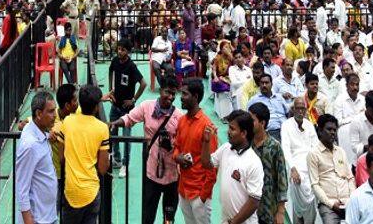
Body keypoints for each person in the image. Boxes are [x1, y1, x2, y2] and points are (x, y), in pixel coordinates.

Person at [110, 73, 181, 224]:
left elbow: (182, 145)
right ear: (161, 90)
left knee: (169, 218)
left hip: (172, 176)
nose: (170, 96)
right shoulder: (146, 106)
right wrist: (115, 123)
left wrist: (172, 146)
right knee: (147, 216)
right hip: (151, 174)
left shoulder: (178, 117)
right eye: (168, 92)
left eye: (173, 93)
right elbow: (129, 118)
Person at [200, 110, 262, 224]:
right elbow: (206, 163)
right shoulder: (226, 148)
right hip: (226, 220)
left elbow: (254, 201)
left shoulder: (254, 162)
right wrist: (206, 141)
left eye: (232, 129)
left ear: (243, 133)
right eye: (229, 128)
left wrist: (233, 222)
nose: (228, 132)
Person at [59, 85, 110, 224]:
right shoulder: (102, 128)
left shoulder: (68, 122)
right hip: (91, 192)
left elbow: (61, 158)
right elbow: (103, 168)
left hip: (71, 192)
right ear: (96, 107)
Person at [172, 78, 217, 224]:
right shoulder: (182, 121)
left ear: (195, 97)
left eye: (184, 94)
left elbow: (213, 165)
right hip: (183, 189)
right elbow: (177, 146)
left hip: (199, 193)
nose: (181, 97)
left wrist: (203, 195)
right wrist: (177, 157)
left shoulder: (207, 126)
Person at [15, 91, 58, 224]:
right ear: (39, 114)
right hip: (38, 219)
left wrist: (47, 135)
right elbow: (21, 188)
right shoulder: (31, 145)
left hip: (48, 215)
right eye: (50, 111)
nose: (55, 115)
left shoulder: (35, 130)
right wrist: (29, 221)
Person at [106, 38, 145, 177]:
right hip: (115, 106)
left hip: (127, 110)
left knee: (127, 138)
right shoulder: (115, 61)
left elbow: (143, 84)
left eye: (122, 50)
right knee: (113, 134)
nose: (119, 51)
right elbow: (110, 71)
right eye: (119, 49)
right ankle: (116, 159)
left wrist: (133, 99)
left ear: (128, 52)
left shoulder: (132, 66)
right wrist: (111, 90)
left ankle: (125, 164)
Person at [307, 113, 355, 224]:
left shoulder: (341, 151)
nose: (333, 132)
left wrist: (352, 199)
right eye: (329, 129)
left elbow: (350, 178)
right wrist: (331, 204)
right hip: (328, 205)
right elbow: (315, 185)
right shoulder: (313, 154)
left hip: (348, 201)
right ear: (320, 131)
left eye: (334, 129)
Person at [280, 97, 318, 223]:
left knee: (313, 191)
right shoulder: (286, 125)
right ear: (293, 109)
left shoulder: (309, 125)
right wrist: (293, 168)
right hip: (294, 163)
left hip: (310, 162)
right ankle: (298, 217)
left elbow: (315, 146)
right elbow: (285, 149)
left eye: (303, 109)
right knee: (297, 182)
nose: (301, 112)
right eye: (298, 109)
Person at [248, 103, 287, 224]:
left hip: (269, 207)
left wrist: (280, 212)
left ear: (262, 123)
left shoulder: (274, 147)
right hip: (248, 207)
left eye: (252, 120)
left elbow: (282, 181)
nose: (248, 123)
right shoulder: (246, 145)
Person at [247, 74, 287, 141]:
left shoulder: (279, 97)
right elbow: (248, 119)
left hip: (286, 129)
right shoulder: (254, 100)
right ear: (259, 84)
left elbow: (288, 112)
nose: (264, 85)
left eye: (266, 83)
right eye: (262, 83)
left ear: (272, 84)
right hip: (270, 131)